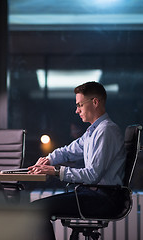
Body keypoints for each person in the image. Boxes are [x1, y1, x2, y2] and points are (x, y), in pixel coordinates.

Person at [28, 81, 126, 240]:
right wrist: (49, 159)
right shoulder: (93, 131)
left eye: (80, 105)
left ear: (95, 102)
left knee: (37, 210)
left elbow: (92, 175)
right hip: (95, 195)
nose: (77, 110)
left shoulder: (106, 131)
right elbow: (69, 151)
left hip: (104, 199)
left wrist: (55, 171)